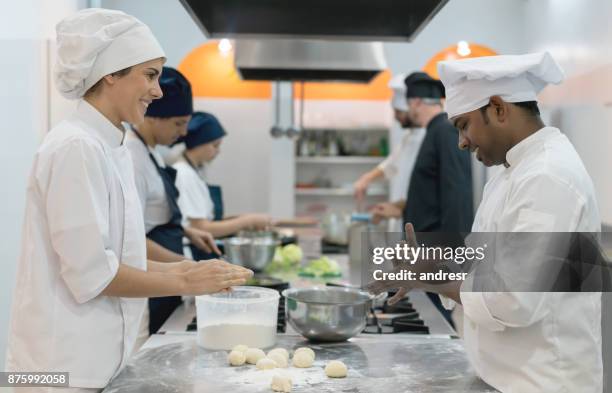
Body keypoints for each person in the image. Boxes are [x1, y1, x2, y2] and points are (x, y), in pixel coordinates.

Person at [5, 9, 252, 392]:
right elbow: (93, 274)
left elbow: (120, 255)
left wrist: (186, 271)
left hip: (96, 362)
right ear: (111, 73)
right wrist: (186, 281)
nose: (158, 90)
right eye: (150, 75)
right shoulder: (75, 147)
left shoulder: (111, 145)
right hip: (56, 372)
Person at [369, 52, 602, 392]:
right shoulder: (511, 172)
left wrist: (432, 279)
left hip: (542, 383)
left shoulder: (548, 175)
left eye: (463, 125)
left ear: (498, 108)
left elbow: (512, 298)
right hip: (505, 378)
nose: (461, 142)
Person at [125, 67, 222, 335]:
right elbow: (132, 239)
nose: (182, 134)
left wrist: (187, 232)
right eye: (178, 123)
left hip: (166, 276)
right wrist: (185, 267)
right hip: (151, 281)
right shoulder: (131, 157)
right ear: (154, 116)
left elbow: (154, 214)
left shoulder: (152, 152)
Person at [371, 72, 473, 233]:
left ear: (416, 102)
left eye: (408, 105)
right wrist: (400, 208)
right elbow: (429, 195)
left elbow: (456, 195)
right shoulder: (433, 131)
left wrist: (453, 251)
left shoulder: (445, 131)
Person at [173, 112, 271, 251]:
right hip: (193, 250)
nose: (218, 151)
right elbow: (199, 227)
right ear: (200, 142)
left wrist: (241, 218)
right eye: (215, 145)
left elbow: (206, 218)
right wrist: (247, 221)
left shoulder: (194, 172)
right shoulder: (183, 174)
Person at [353, 73, 425, 211]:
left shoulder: (427, 137)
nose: (396, 117)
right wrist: (366, 179)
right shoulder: (408, 136)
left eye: (398, 112)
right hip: (399, 213)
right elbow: (391, 165)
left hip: (413, 215)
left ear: (411, 108)